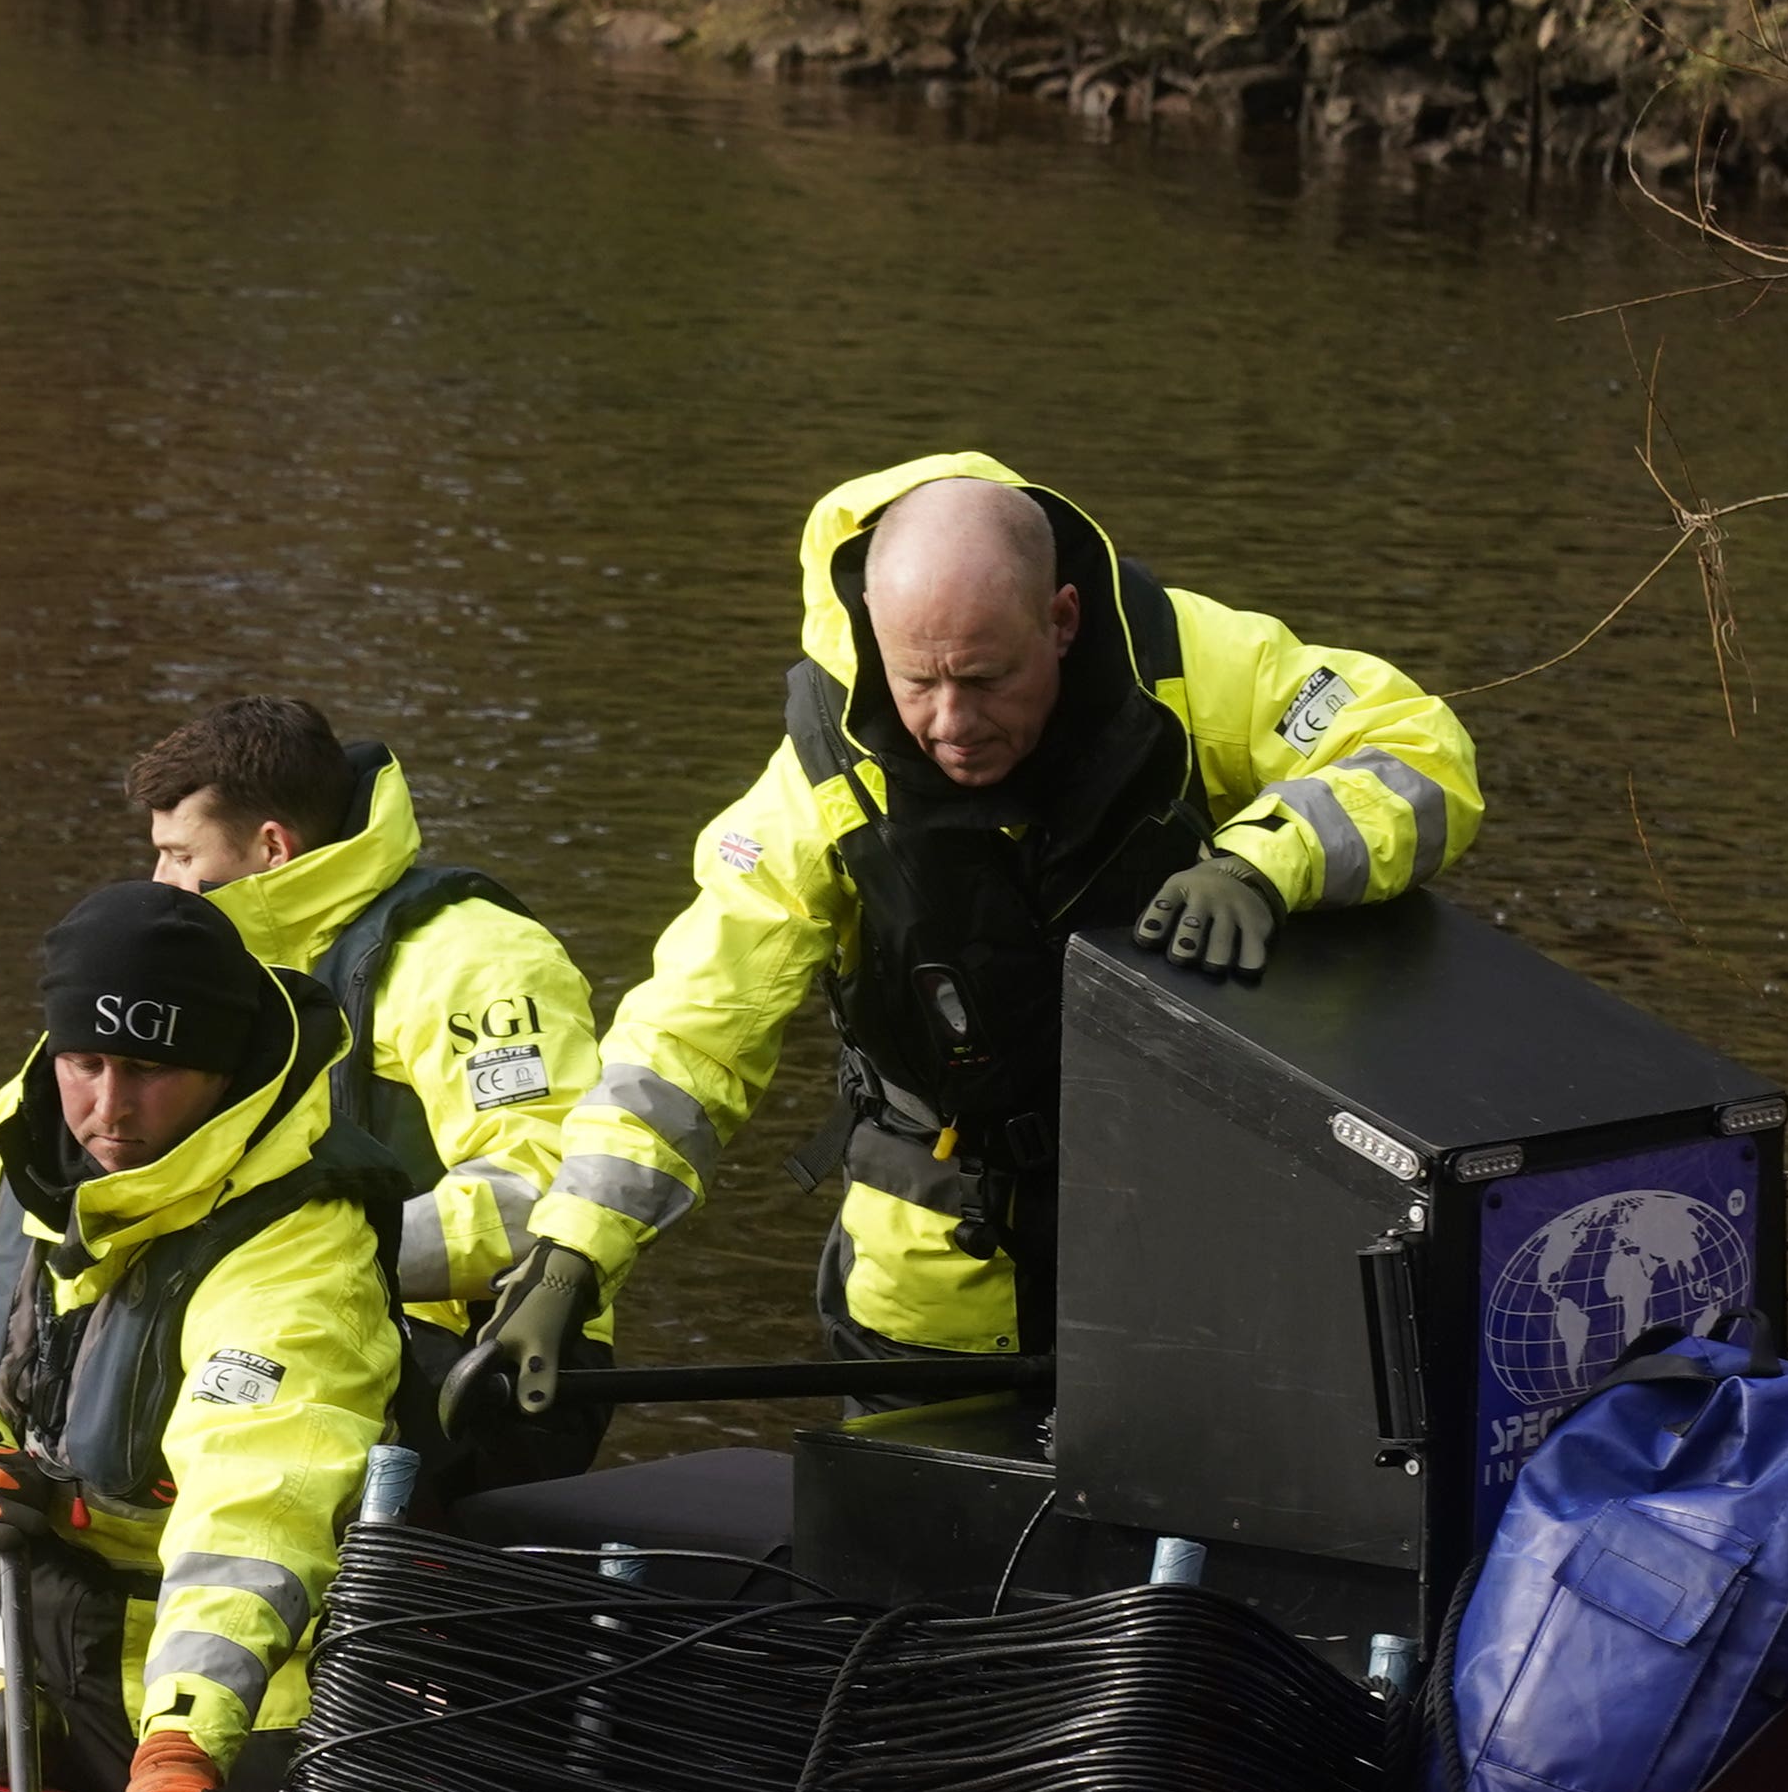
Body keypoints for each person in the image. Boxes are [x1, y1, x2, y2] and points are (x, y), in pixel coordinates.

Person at [453, 454, 1483, 1401]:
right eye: (919, 682)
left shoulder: (1194, 666)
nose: (951, 721)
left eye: (986, 678)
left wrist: (1262, 861)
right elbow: (691, 1028)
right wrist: (571, 1248)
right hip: (932, 1269)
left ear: (1063, 619)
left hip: (1191, 1234)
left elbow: (1415, 754)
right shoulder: (821, 778)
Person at [0, 881, 401, 1792]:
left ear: (219, 1065)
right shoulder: (27, 1124)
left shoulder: (297, 1253)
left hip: (146, 1633)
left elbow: (255, 1509)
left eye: (149, 1070)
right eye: (85, 1062)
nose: (108, 1106)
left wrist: (183, 1733)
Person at [127, 696, 615, 1494]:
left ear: (273, 847)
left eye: (181, 855)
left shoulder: (477, 961)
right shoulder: (221, 964)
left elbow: (545, 1200)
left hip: (484, 1364)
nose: (161, 881)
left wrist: (294, 1257)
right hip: (283, 1318)